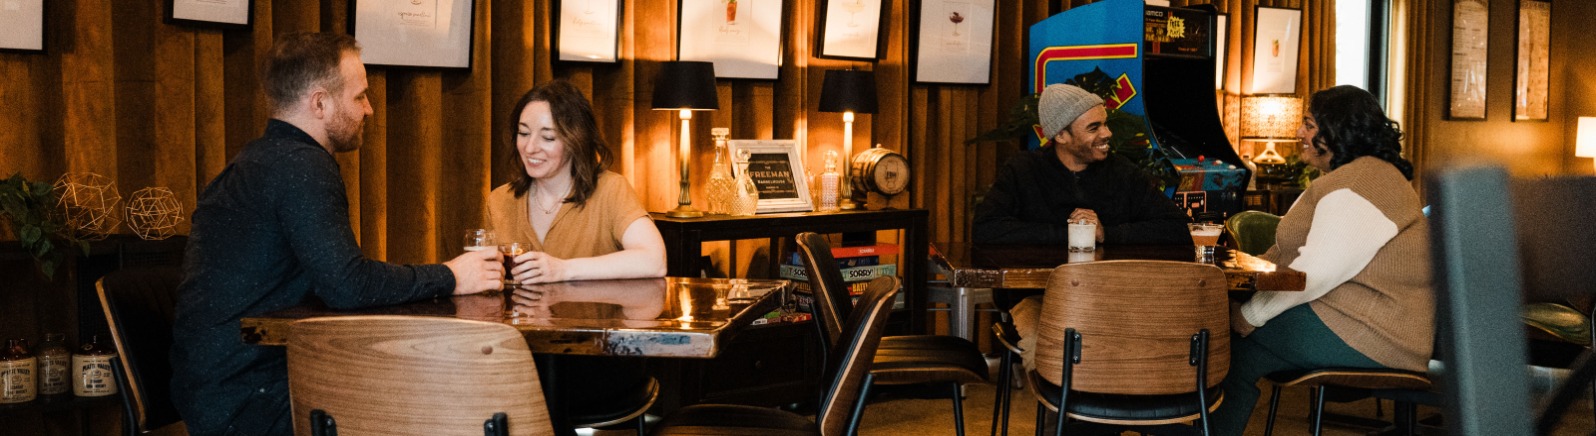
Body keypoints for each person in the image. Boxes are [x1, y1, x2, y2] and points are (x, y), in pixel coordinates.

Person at [169, 33, 505, 436]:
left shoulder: (258, 160)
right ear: (320, 103)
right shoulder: (302, 167)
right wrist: (454, 275)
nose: (370, 109)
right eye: (360, 96)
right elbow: (348, 285)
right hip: (250, 400)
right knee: (442, 402)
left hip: (215, 388)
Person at [1211, 85, 1433, 435]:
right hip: (1362, 323)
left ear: (1338, 131)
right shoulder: (1358, 176)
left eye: (1309, 124)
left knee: (1227, 344)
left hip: (1372, 335)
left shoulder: (1358, 184)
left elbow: (1313, 273)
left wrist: (1250, 314)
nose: (1299, 133)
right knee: (1222, 332)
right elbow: (1289, 253)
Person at [485, 80, 666, 435]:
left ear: (575, 139)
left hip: (599, 355)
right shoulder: (500, 201)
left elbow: (654, 259)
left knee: (537, 387)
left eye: (547, 137)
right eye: (523, 134)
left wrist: (561, 270)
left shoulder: (610, 189)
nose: (531, 147)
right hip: (524, 354)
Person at [974, 83, 1190, 368]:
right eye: (1094, 128)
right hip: (1038, 297)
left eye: (1105, 124)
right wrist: (1068, 234)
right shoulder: (1023, 171)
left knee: (1149, 349)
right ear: (1061, 135)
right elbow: (985, 229)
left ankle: (1109, 411)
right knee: (1054, 354)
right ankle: (1062, 412)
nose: (1107, 134)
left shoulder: (1122, 173)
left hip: (1111, 298)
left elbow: (1176, 229)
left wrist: (1106, 234)